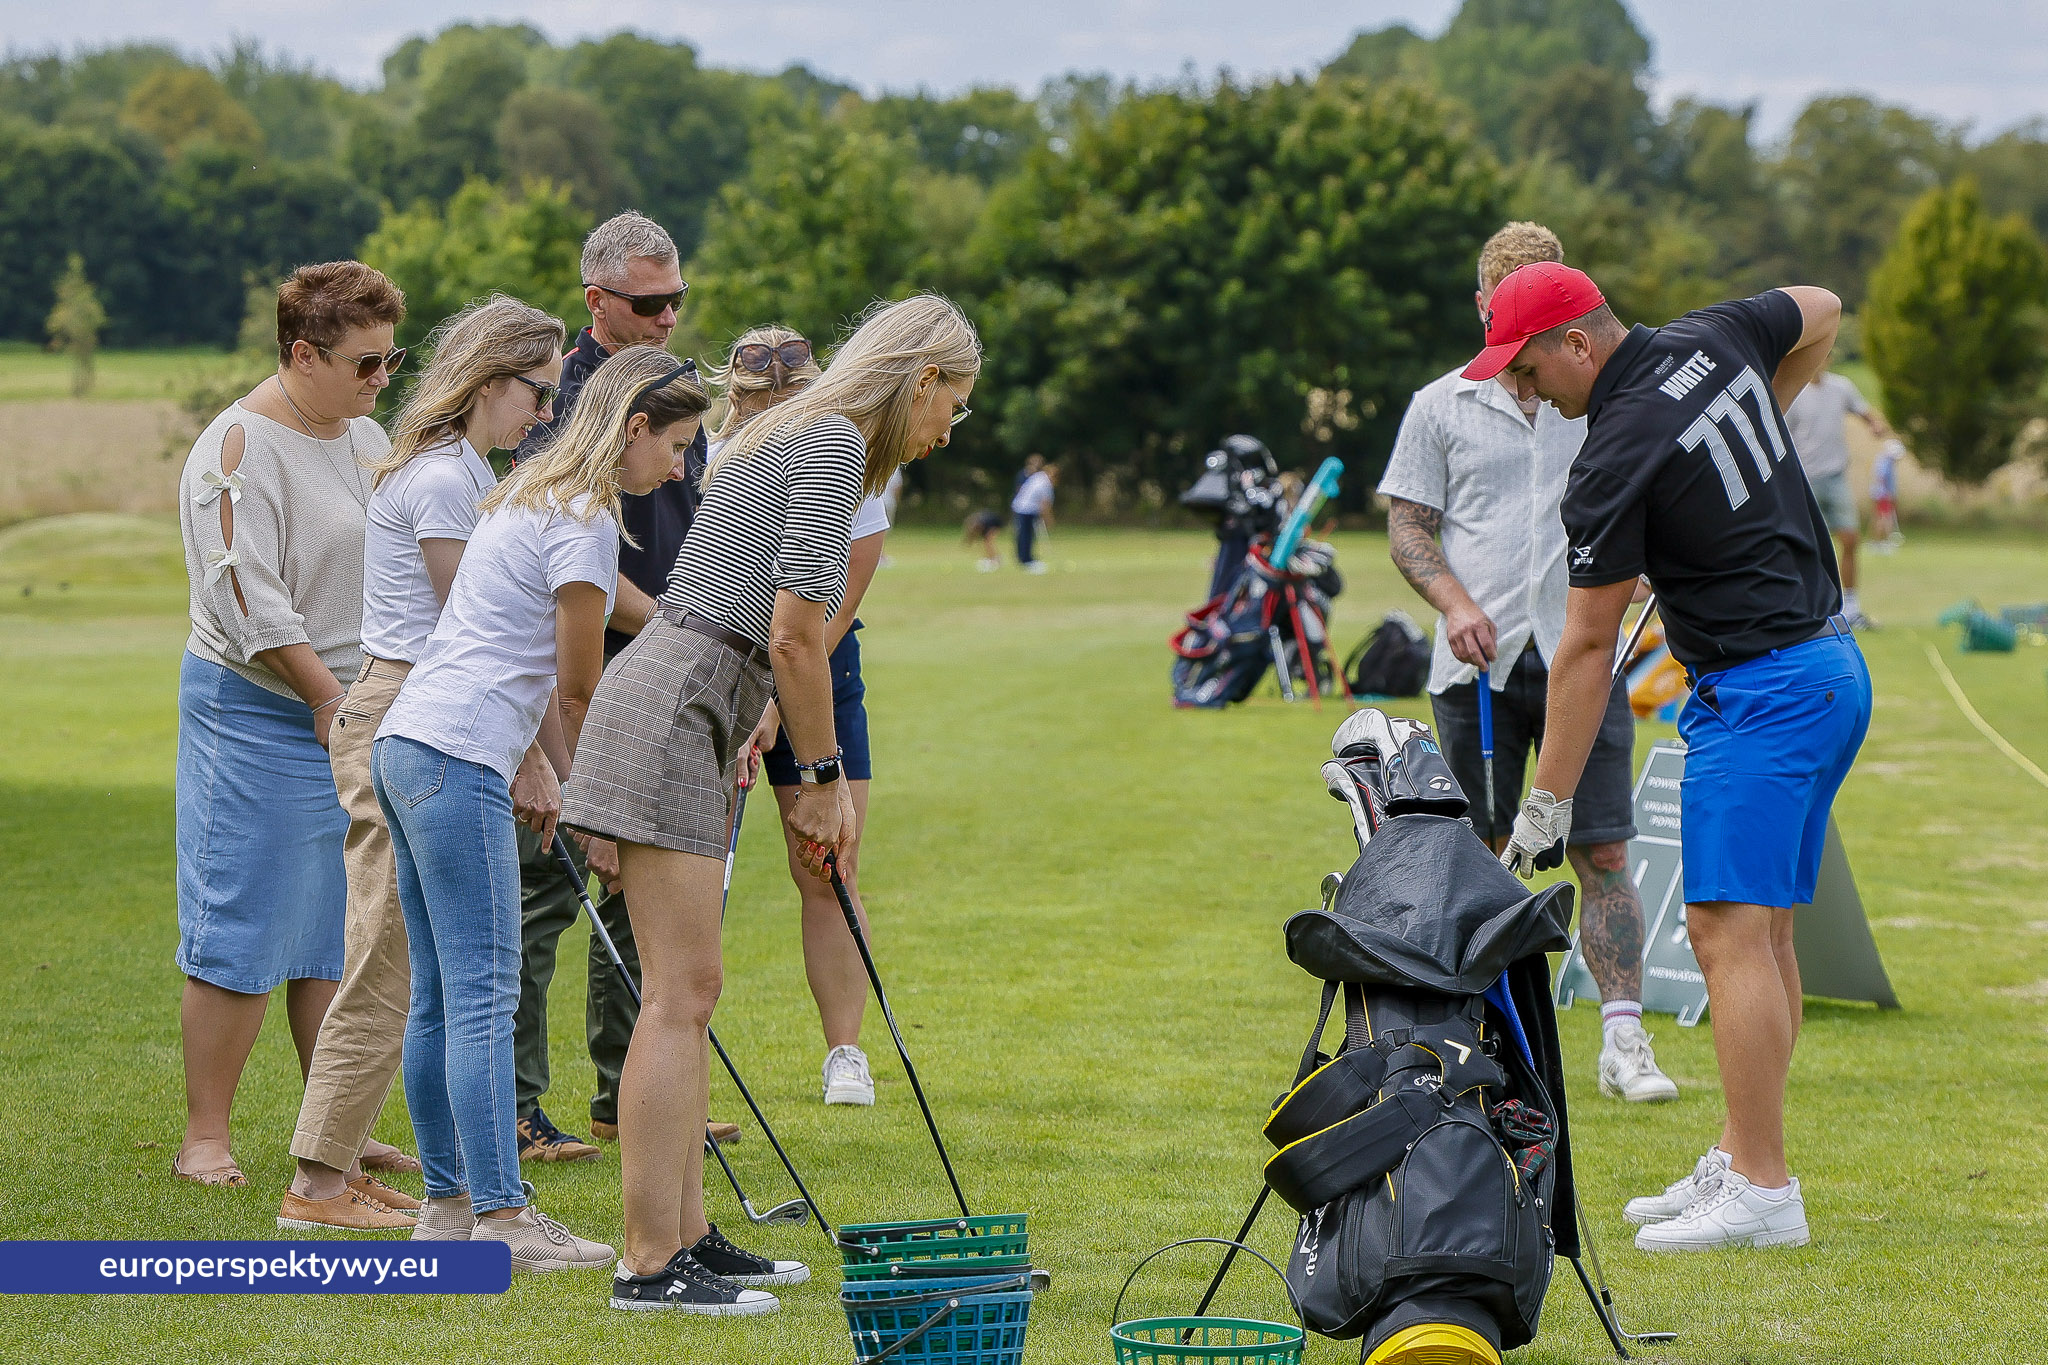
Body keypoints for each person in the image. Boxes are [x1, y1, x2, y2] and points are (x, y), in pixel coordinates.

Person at [560, 294, 980, 1315]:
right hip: (682, 699)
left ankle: (693, 1237)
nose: (949, 427)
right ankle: (649, 1263)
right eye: (954, 403)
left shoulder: (775, 430)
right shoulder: (833, 444)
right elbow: (796, 636)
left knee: (686, 991)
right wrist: (821, 783)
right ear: (919, 379)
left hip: (689, 692)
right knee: (679, 995)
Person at [1483, 262, 1870, 1252]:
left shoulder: (1610, 454)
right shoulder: (1712, 335)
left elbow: (1582, 649)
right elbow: (1821, 308)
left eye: (1527, 372)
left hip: (1764, 694)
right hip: (1825, 672)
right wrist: (1742, 438)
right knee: (1764, 936)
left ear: (1575, 342)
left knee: (1723, 936)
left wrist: (1544, 807)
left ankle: (1762, 1191)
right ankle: (1745, 1152)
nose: (1526, 394)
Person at [371, 345, 706, 1266]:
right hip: (458, 755)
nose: (679, 468)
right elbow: (578, 688)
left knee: (441, 997)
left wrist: (554, 776)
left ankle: (446, 1210)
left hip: (408, 744)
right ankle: (505, 1219)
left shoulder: (528, 490)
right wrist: (601, 811)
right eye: (674, 446)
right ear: (632, 430)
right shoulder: (589, 521)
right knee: (480, 996)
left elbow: (533, 683)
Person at [280, 296, 565, 1232]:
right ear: (490, 382)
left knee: (420, 969)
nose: (545, 416)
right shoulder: (447, 480)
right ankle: (320, 1184)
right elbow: (467, 633)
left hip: (412, 705)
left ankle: (426, 1190)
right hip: (415, 707)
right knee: (389, 962)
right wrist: (530, 757)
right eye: (537, 392)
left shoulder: (449, 469)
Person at [1379, 222, 1675, 1104]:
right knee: (1470, 856)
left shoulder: (1602, 396)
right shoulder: (1439, 405)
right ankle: (1477, 1046)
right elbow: (1407, 524)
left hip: (1588, 653)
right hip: (1475, 659)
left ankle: (1624, 1042)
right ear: (1483, 306)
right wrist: (1456, 604)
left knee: (1604, 852)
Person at [173, 260, 407, 1188]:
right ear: (302, 353)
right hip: (261, 709)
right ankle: (205, 1136)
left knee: (337, 929)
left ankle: (334, 1130)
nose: (380, 380)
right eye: (364, 363)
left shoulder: (363, 434)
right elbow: (243, 595)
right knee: (243, 921)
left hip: (347, 708)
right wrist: (322, 696)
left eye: (390, 361)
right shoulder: (235, 448)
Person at [504, 210, 718, 1162]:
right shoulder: (562, 398)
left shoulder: (676, 392)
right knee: (548, 893)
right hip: (576, 673)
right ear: (597, 299)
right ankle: (513, 1105)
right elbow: (571, 564)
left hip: (661, 665)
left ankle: (631, 1091)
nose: (669, 316)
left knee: (644, 898)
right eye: (648, 301)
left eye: (678, 297)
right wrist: (669, 620)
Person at [719, 326, 890, 1107]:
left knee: (829, 860)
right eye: (764, 402)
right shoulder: (712, 461)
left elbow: (834, 606)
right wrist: (752, 695)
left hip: (818, 667)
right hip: (718, 667)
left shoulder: (851, 462)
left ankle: (844, 1053)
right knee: (696, 874)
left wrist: (778, 702)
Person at [1784, 368, 1892, 628]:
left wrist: (1875, 424)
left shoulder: (1841, 387)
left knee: (1850, 538)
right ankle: (1803, 610)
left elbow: (1864, 411)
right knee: (1803, 546)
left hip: (1836, 477)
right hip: (1805, 479)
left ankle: (1851, 609)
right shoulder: (1795, 391)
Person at [1013, 459, 1055, 573]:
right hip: (1026, 509)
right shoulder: (1044, 482)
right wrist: (1048, 520)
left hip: (1023, 507)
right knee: (1026, 535)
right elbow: (1044, 505)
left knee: (1026, 534)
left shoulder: (1039, 477)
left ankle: (1025, 558)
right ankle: (1026, 560)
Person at [1870, 438, 1904, 550]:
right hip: (1883, 495)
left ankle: (1879, 542)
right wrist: (1888, 493)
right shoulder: (1886, 462)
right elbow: (1882, 478)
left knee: (1880, 517)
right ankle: (1883, 542)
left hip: (1880, 494)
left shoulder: (1883, 460)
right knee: (1885, 518)